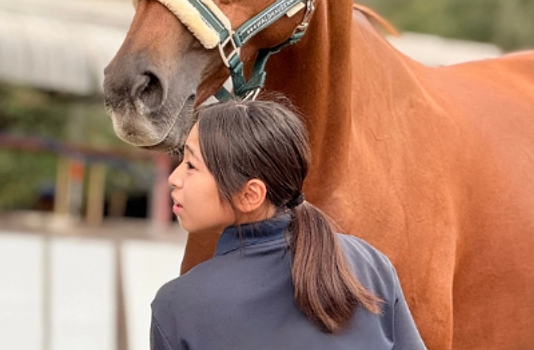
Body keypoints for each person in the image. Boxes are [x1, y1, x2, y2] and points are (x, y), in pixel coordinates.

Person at [150, 97, 427, 350]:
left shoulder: (178, 305)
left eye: (191, 165)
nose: (175, 177)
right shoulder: (371, 265)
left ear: (250, 195)